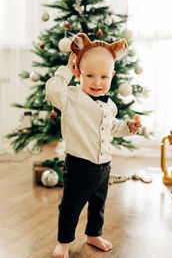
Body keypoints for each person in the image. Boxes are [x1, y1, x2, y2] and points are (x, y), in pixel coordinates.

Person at [45, 33, 142, 258]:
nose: (97, 83)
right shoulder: (70, 98)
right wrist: (66, 70)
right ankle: (64, 241)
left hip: (103, 165)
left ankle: (93, 234)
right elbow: (52, 90)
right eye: (89, 75)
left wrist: (128, 127)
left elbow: (113, 127)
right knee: (71, 206)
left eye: (103, 77)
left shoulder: (110, 105)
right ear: (79, 73)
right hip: (79, 165)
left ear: (112, 76)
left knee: (98, 204)